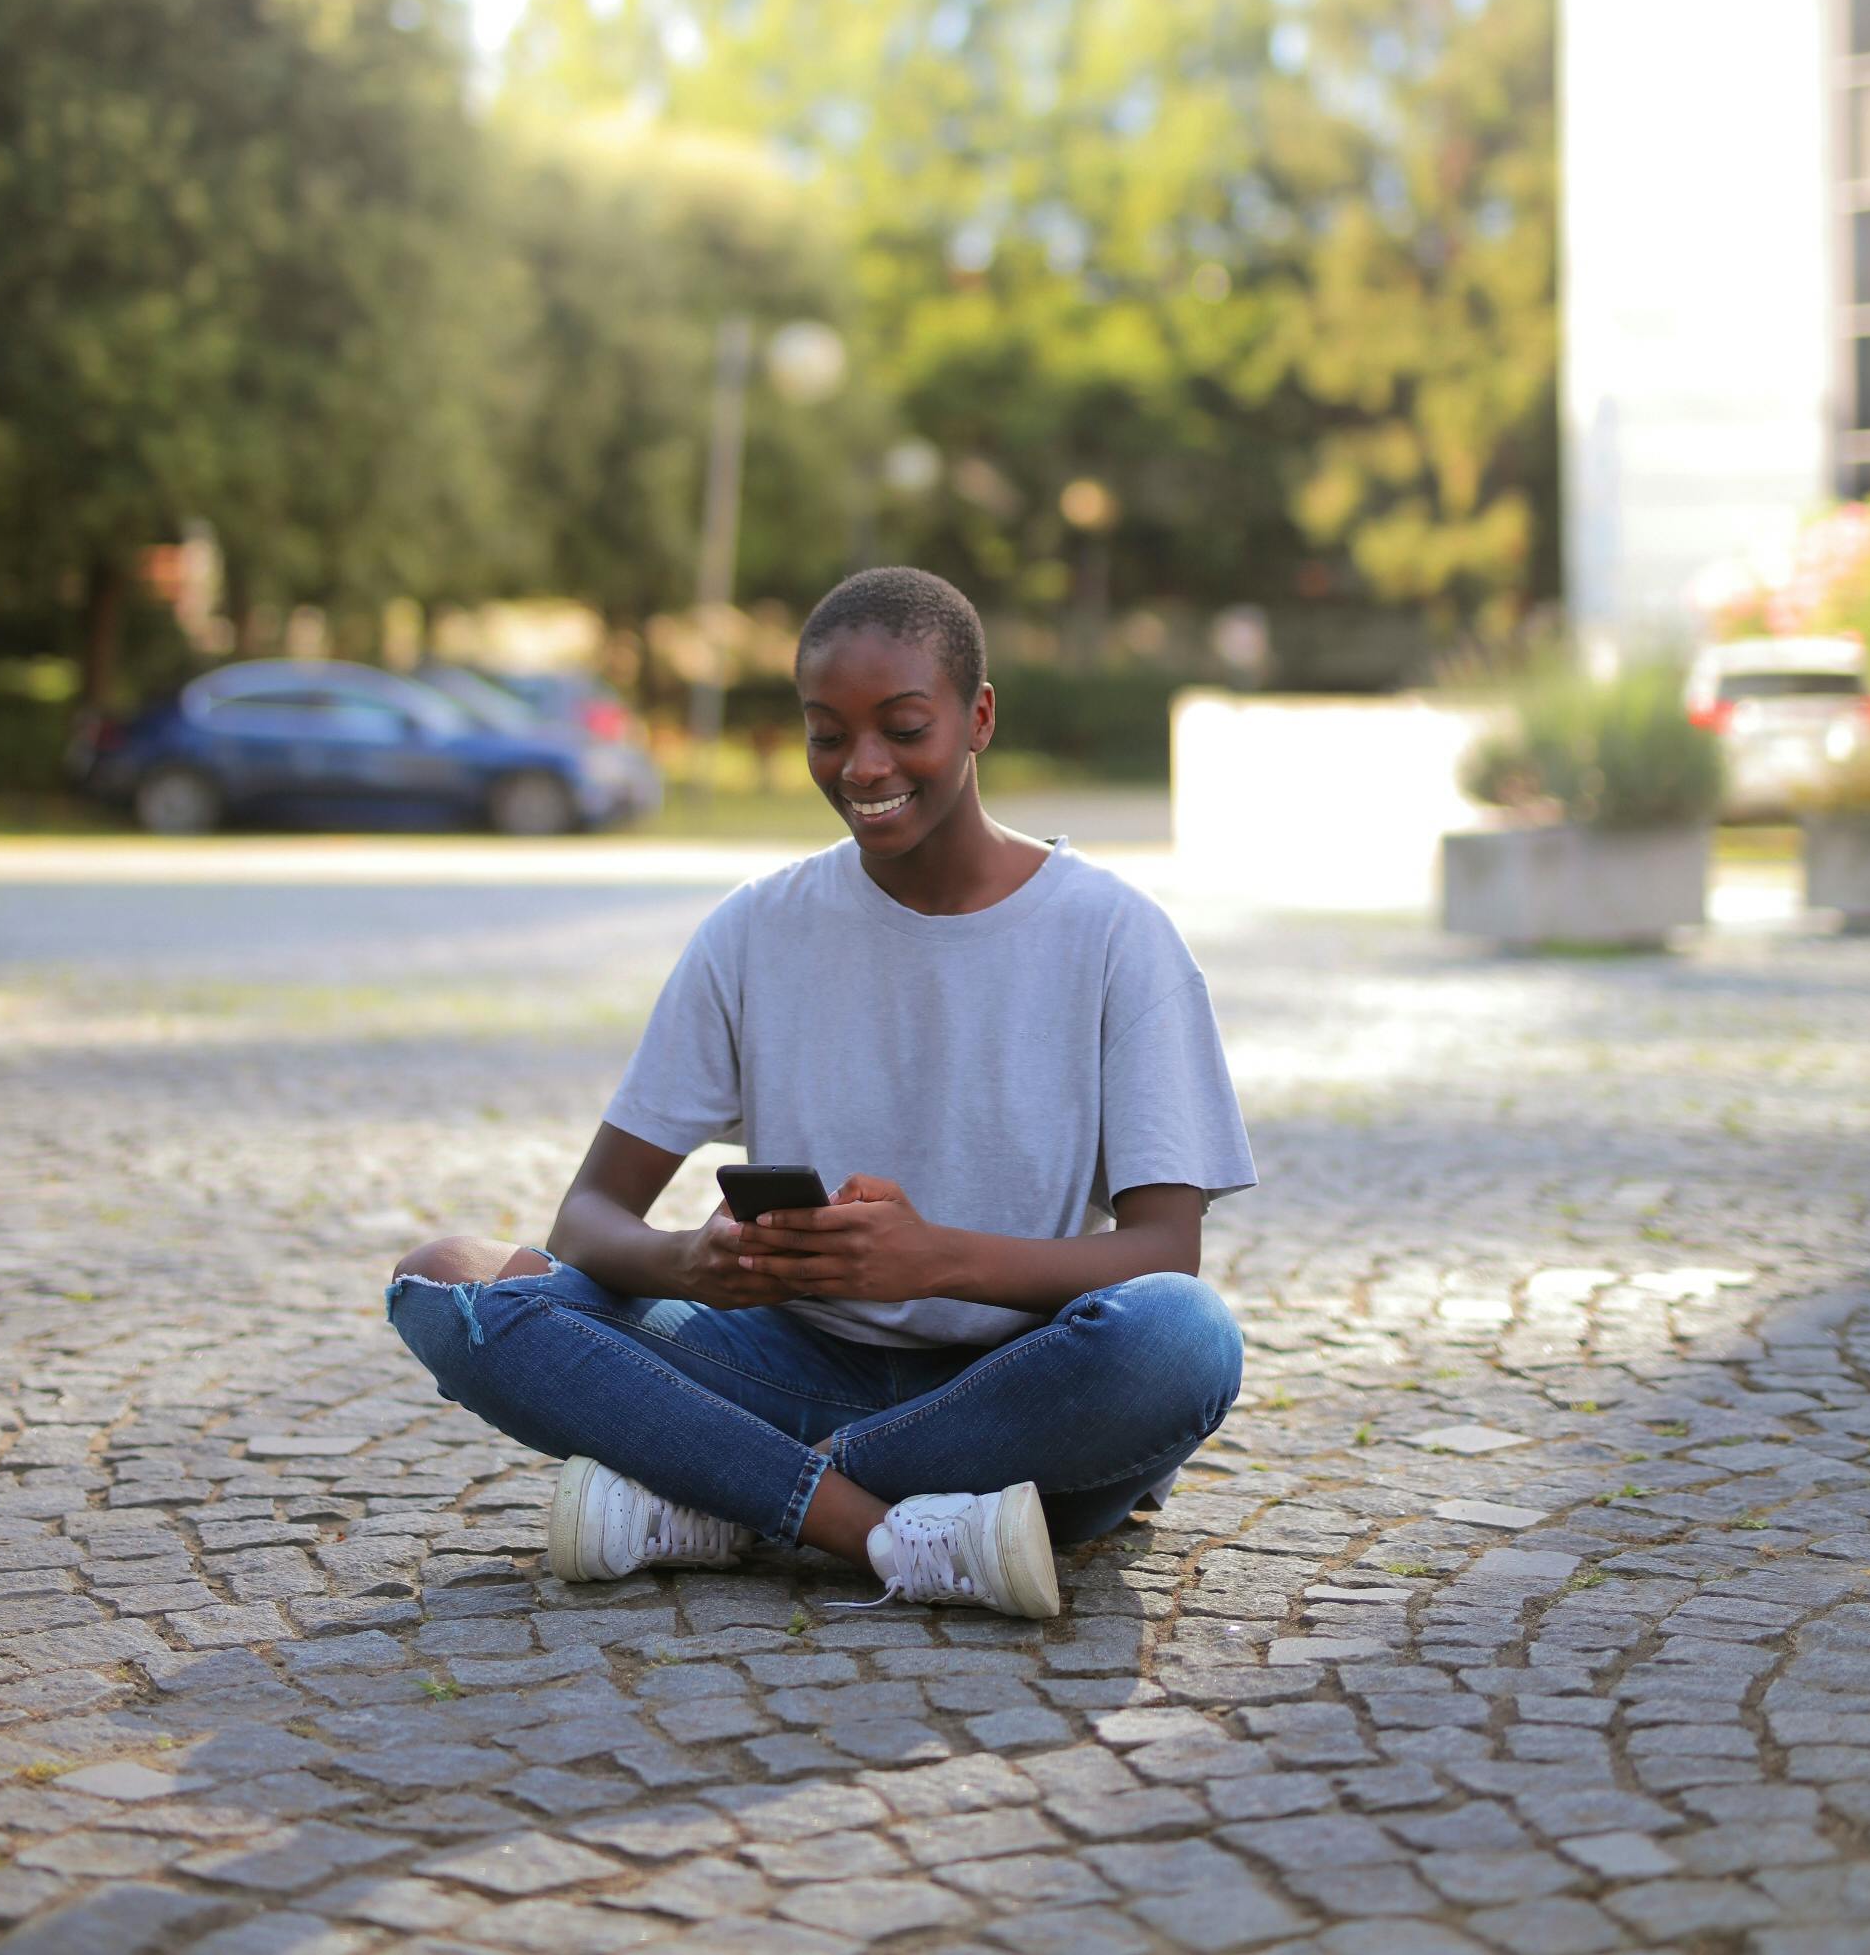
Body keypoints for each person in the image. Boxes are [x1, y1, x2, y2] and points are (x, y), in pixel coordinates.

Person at [387, 566, 1253, 1620]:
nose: (863, 766)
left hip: (1013, 1385)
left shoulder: (1117, 938)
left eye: (902, 727)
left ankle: (722, 1489)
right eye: (826, 734)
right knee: (445, 1283)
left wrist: (937, 1258)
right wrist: (685, 1261)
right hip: (779, 1361)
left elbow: (1166, 1249)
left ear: (978, 718)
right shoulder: (756, 929)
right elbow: (588, 1216)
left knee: (1183, 1337)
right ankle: (883, 1529)